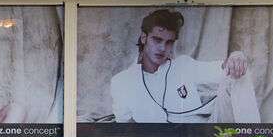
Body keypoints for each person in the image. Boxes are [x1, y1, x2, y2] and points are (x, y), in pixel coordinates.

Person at [110, 8, 260, 123]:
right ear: (144, 38)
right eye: (157, 40)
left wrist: (235, 57)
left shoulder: (183, 65)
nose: (163, 48)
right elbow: (126, 128)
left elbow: (222, 69)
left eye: (169, 42)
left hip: (205, 135)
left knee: (237, 74)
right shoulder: (121, 82)